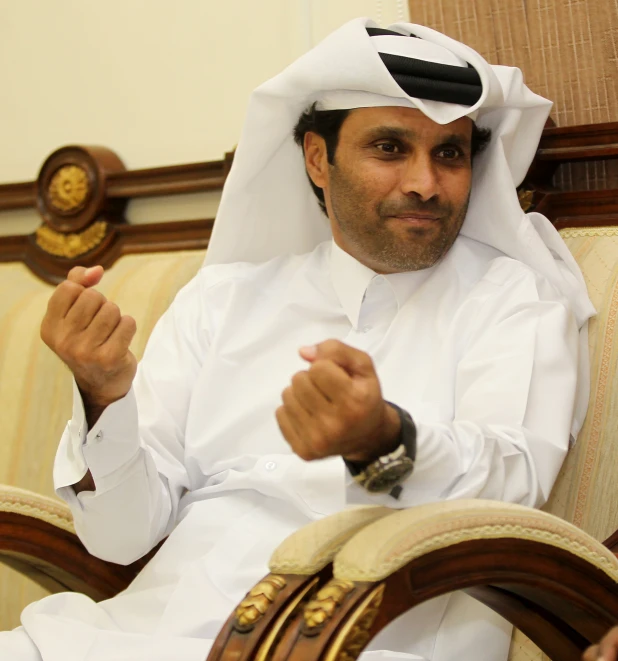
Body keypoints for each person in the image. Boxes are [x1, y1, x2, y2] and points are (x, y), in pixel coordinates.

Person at [0, 17, 594, 661]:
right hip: (150, 632)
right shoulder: (221, 300)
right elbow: (118, 537)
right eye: (391, 148)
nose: (425, 182)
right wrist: (104, 396)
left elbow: (512, 487)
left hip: (364, 637)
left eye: (449, 152)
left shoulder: (513, 298)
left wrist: (383, 442)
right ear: (318, 157)